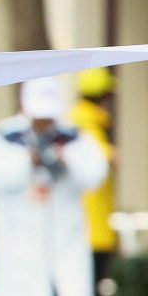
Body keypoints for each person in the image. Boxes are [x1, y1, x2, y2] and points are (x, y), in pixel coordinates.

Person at [0, 76, 108, 296]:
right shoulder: (4, 136)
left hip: (67, 245)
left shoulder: (73, 137)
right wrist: (28, 160)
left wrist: (66, 159)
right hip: (19, 247)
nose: (43, 123)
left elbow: (95, 175)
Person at [70, 68, 118, 294]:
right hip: (91, 230)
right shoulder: (89, 123)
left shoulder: (76, 120)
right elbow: (103, 161)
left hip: (84, 228)